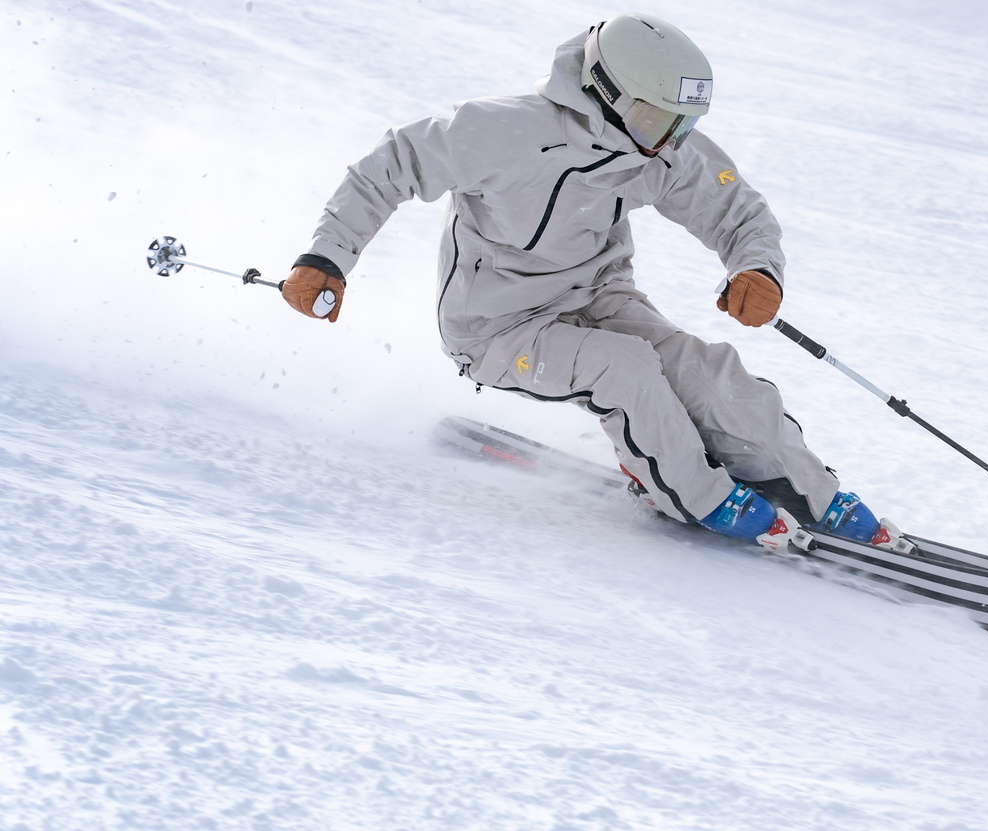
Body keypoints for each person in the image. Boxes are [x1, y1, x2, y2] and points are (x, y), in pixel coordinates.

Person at [282, 13, 903, 551]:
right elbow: (388, 166)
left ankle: (811, 492)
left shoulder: (653, 149)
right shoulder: (503, 131)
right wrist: (327, 256)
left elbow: (736, 210)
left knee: (707, 370)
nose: (670, 140)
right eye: (658, 117)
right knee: (624, 369)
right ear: (606, 91)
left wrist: (757, 267)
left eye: (681, 123)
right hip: (497, 328)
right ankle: (694, 495)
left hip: (600, 301)